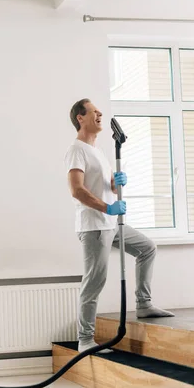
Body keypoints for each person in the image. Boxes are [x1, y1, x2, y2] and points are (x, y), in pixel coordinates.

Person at [64, 98, 174, 354]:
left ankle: (144, 304)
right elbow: (77, 190)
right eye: (94, 111)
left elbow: (107, 187)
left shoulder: (98, 151)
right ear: (80, 118)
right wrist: (107, 207)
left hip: (111, 223)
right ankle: (85, 340)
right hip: (94, 226)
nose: (100, 113)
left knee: (147, 248)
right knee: (95, 281)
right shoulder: (76, 150)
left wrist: (116, 184)